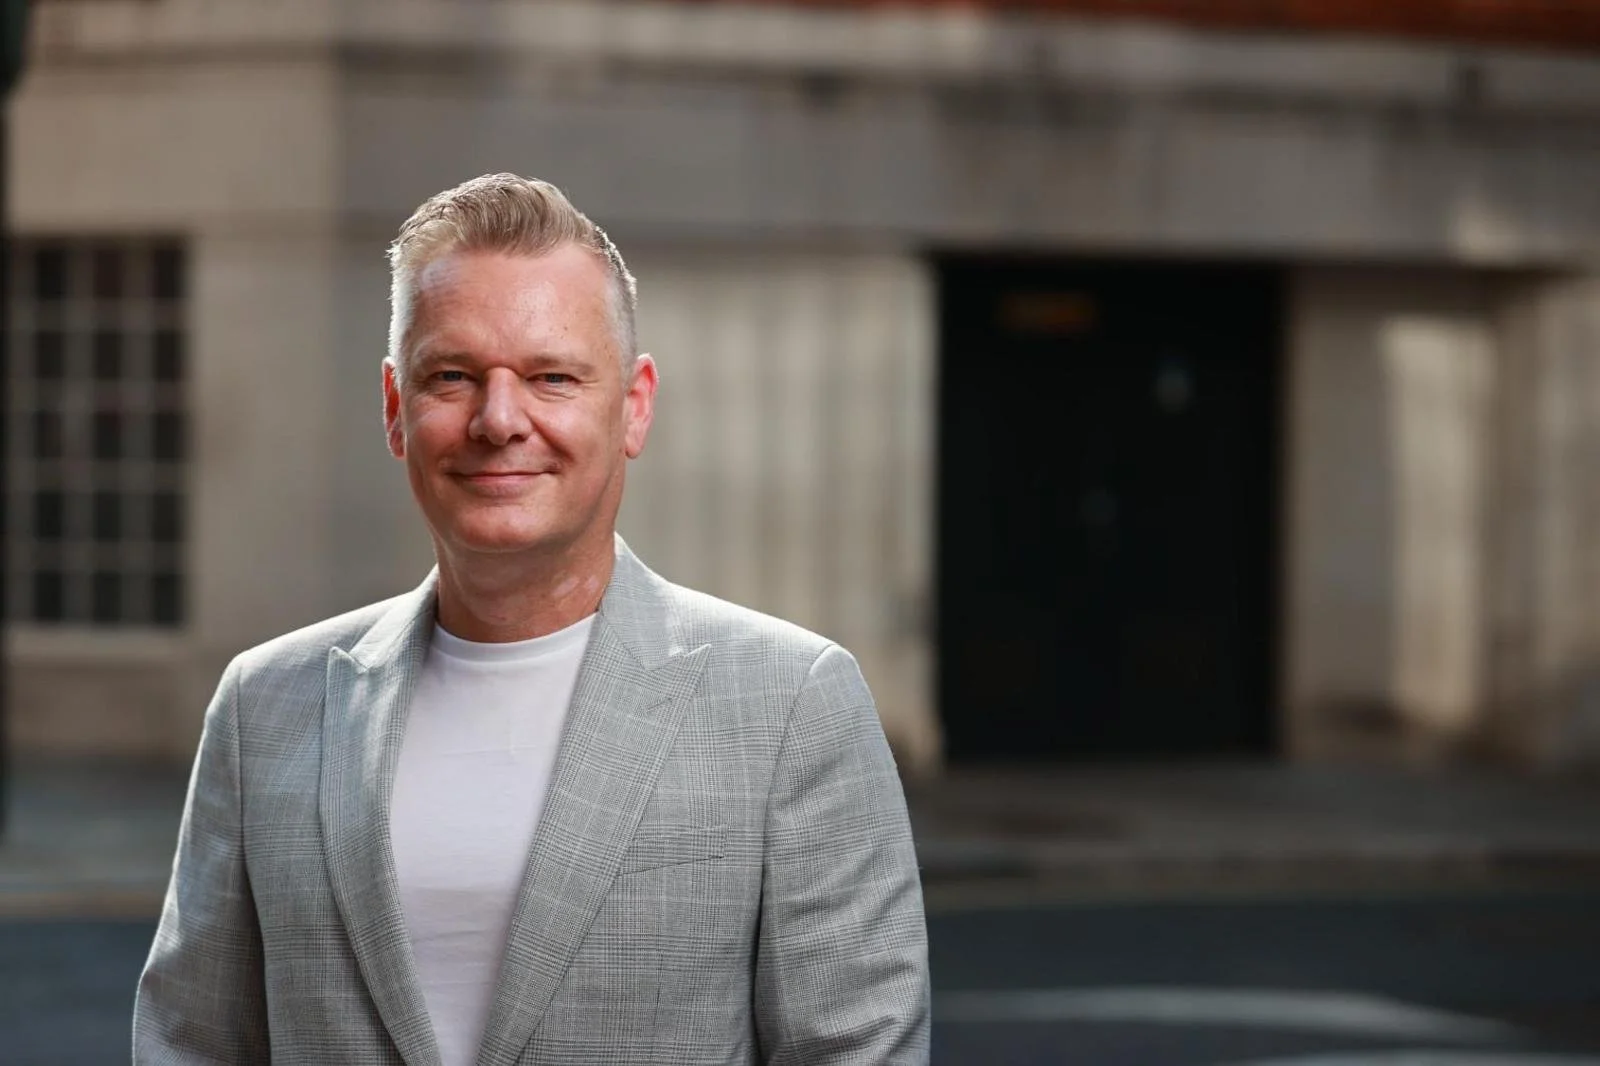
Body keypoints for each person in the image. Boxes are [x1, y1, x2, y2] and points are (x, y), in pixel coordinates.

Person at [134, 173, 930, 1065]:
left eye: (551, 376)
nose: (499, 419)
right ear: (397, 408)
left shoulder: (792, 706)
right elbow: (190, 1042)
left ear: (633, 405)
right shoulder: (265, 705)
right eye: (453, 376)